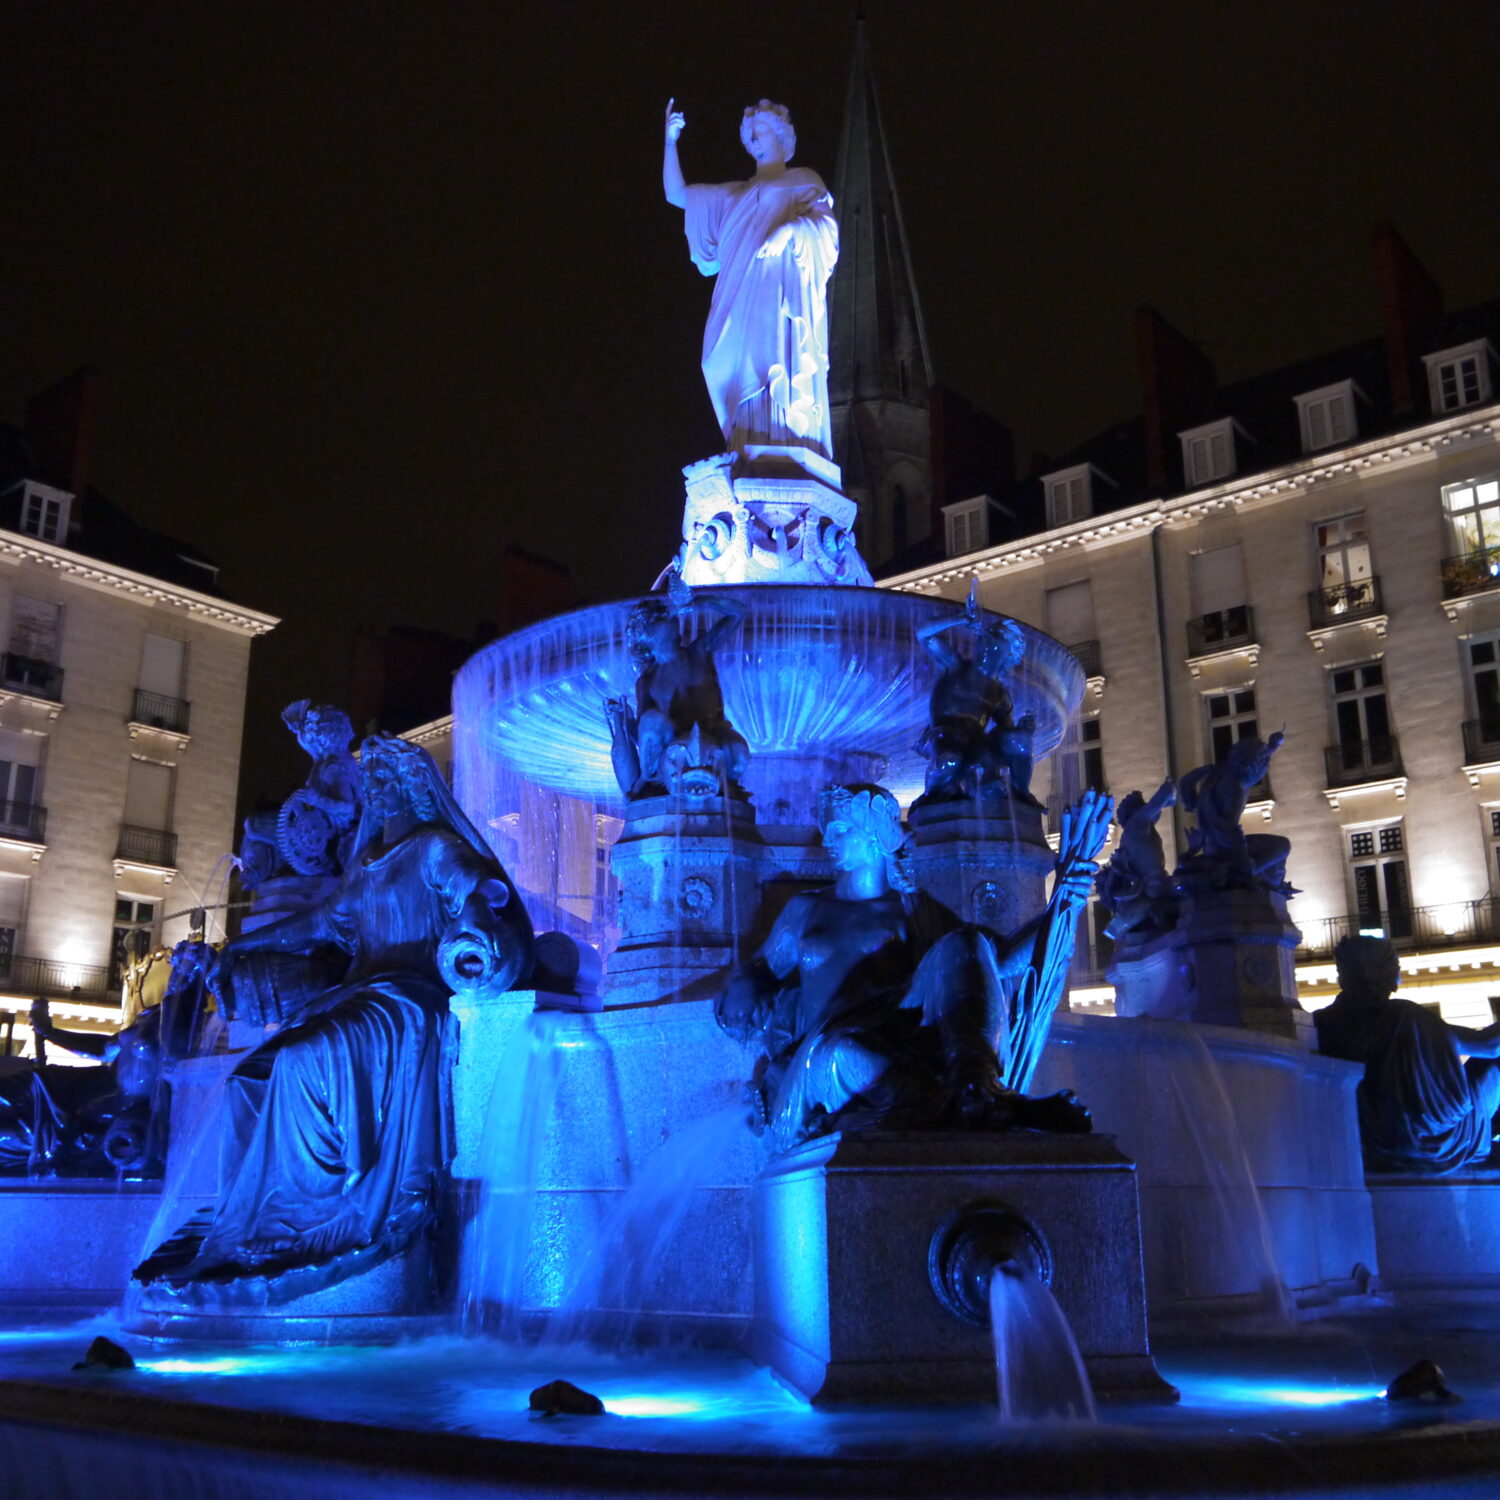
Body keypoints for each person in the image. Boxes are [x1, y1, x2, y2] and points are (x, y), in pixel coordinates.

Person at [134, 736, 534, 1300]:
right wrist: (239, 950)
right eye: (372, 783)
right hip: (356, 993)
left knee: (300, 1059)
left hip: (406, 999)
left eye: (388, 783)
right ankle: (257, 1215)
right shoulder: (365, 869)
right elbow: (316, 923)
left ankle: (318, 1213)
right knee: (247, 1079)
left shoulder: (435, 848)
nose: (377, 791)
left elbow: (480, 889)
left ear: (413, 790)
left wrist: (472, 920)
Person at [716, 783, 1109, 1150]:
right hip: (828, 1050)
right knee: (845, 1053)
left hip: (895, 1035)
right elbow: (762, 967)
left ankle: (979, 1085)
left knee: (964, 942)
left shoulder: (912, 908)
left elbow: (997, 961)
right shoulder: (806, 910)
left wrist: (1064, 903)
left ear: (875, 836)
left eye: (840, 831)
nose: (828, 841)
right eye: (827, 831)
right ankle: (992, 1106)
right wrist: (743, 992)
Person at [663, 98, 839, 463]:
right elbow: (676, 194)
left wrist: (790, 231)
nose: (755, 140)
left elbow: (827, 232)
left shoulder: (804, 181)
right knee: (717, 359)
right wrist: (670, 142)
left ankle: (780, 439)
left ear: (781, 136)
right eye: (750, 135)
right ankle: (745, 442)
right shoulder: (734, 194)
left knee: (771, 359)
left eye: (761, 131)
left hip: (777, 296)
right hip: (737, 293)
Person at [1315, 935, 1500, 1174]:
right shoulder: (1406, 1016)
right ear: (1385, 973)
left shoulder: (1320, 1022)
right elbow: (1488, 1045)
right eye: (1396, 966)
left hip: (1362, 1142)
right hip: (1427, 1141)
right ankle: (1482, 1145)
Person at [606, 568, 748, 798]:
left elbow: (739, 612)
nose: (670, 619)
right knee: (652, 719)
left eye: (665, 617)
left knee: (739, 758)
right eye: (658, 620)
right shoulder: (647, 680)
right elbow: (645, 735)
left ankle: (718, 788)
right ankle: (649, 780)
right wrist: (623, 719)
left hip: (714, 737)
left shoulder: (699, 652)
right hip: (674, 750)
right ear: (647, 637)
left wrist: (699, 601)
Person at [913, 586, 1037, 807]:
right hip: (944, 734)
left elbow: (1005, 735)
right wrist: (960, 618)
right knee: (949, 762)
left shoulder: (1000, 694)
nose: (987, 641)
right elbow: (923, 633)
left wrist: (1024, 731)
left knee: (1005, 760)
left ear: (1008, 654)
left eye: (997, 639)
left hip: (977, 742)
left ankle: (1021, 795)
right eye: (989, 637)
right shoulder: (956, 666)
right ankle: (931, 800)